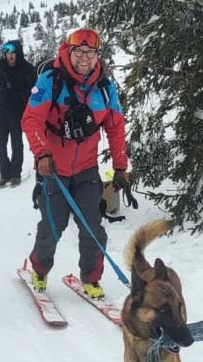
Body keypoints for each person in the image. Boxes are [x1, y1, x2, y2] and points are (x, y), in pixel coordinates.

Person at [22, 27, 131, 300]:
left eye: (90, 52)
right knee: (52, 226)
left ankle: (92, 279)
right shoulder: (51, 81)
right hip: (53, 170)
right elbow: (31, 119)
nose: (85, 58)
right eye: (79, 52)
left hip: (86, 170)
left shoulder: (105, 89)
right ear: (69, 52)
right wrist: (42, 154)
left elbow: (116, 128)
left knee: (93, 227)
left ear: (97, 55)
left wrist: (120, 166)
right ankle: (39, 268)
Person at [0, 40, 37, 188]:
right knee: (0, 143)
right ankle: (4, 175)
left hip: (17, 112)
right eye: (7, 53)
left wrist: (22, 86)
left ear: (18, 53)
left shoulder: (26, 68)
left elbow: (35, 86)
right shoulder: (1, 64)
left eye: (12, 53)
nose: (9, 56)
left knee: (16, 144)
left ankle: (15, 175)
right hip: (0, 111)